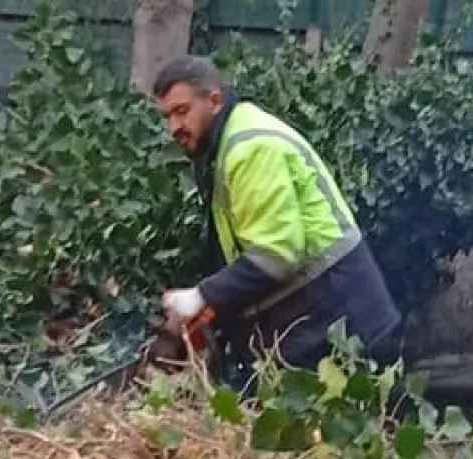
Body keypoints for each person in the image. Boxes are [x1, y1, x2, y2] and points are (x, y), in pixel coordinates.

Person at [150, 56, 401, 381]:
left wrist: (201, 297)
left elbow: (277, 255)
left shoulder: (249, 149)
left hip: (340, 320)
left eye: (182, 111)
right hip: (323, 319)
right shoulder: (226, 144)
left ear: (214, 101)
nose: (174, 128)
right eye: (167, 116)